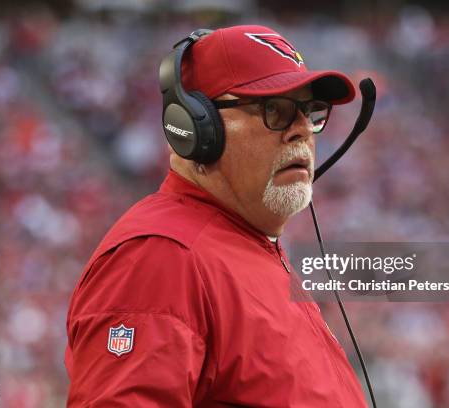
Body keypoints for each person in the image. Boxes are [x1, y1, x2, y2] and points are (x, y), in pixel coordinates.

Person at [65, 25, 368, 407]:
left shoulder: (246, 248)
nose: (302, 131)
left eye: (310, 113)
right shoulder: (162, 255)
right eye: (275, 109)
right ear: (197, 126)